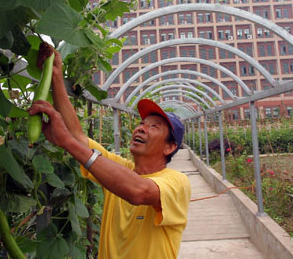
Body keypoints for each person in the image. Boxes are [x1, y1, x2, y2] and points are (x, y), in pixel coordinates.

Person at [28, 44, 191, 259]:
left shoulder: (177, 182)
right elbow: (78, 138)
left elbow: (139, 191)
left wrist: (67, 142)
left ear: (169, 147)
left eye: (154, 127)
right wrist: (56, 75)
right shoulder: (119, 168)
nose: (141, 127)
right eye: (142, 123)